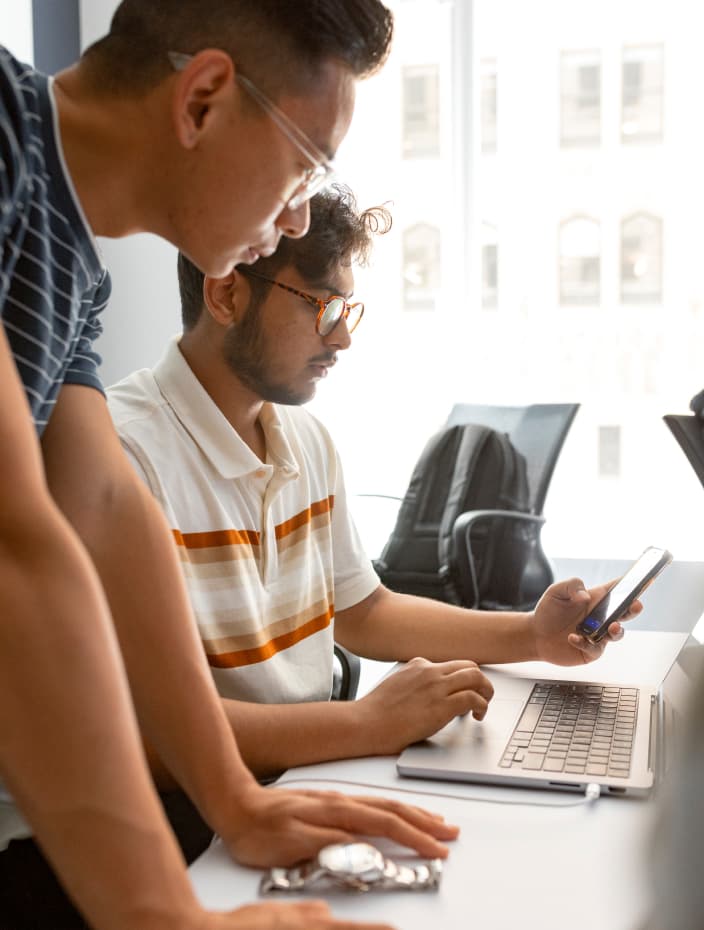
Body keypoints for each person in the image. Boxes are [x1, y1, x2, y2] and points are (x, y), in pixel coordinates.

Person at [0, 3, 456, 930]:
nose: (296, 212)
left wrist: (235, 800)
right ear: (203, 98)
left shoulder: (69, 266)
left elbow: (100, 504)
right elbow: (18, 550)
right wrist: (172, 917)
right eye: (304, 166)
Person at [107, 183, 637, 791]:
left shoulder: (305, 438)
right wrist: (363, 722)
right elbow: (141, 735)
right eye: (322, 308)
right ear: (227, 294)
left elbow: (363, 611)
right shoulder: (122, 454)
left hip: (310, 775)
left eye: (347, 311)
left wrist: (531, 636)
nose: (342, 339)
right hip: (197, 813)